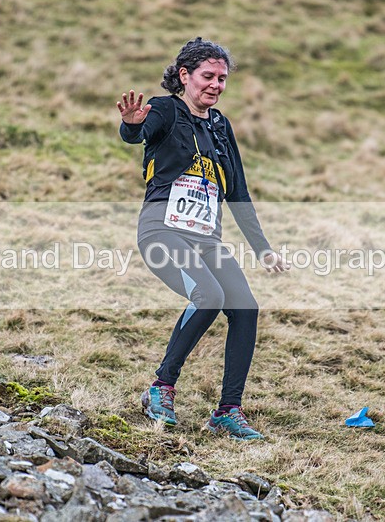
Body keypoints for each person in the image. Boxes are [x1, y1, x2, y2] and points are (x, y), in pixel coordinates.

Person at [117, 37, 289, 441]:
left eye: (222, 78)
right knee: (208, 297)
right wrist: (131, 123)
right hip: (162, 230)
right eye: (207, 76)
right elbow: (136, 134)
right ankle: (161, 387)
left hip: (207, 239)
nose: (215, 84)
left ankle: (228, 411)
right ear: (184, 76)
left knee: (245, 308)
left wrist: (262, 249)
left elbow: (239, 193)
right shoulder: (164, 109)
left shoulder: (220, 126)